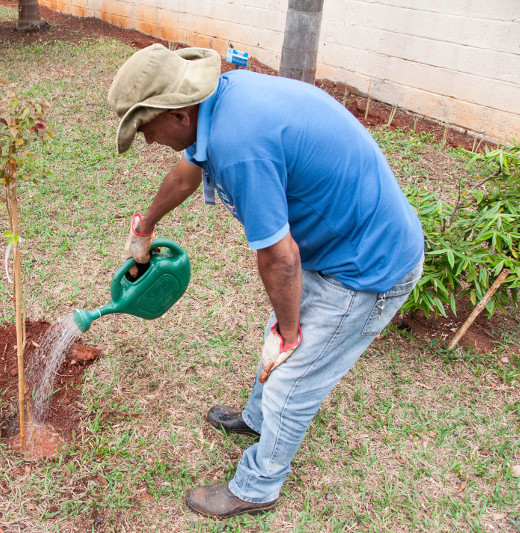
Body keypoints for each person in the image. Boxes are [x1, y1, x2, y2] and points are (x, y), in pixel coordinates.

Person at [107, 44, 425, 518]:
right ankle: (257, 420)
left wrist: (292, 333)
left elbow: (280, 258)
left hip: (367, 267)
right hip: (336, 245)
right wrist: (145, 226)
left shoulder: (240, 147)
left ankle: (257, 488)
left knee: (293, 378)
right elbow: (187, 171)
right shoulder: (216, 104)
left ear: (177, 114)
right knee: (277, 333)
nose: (148, 141)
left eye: (146, 129)